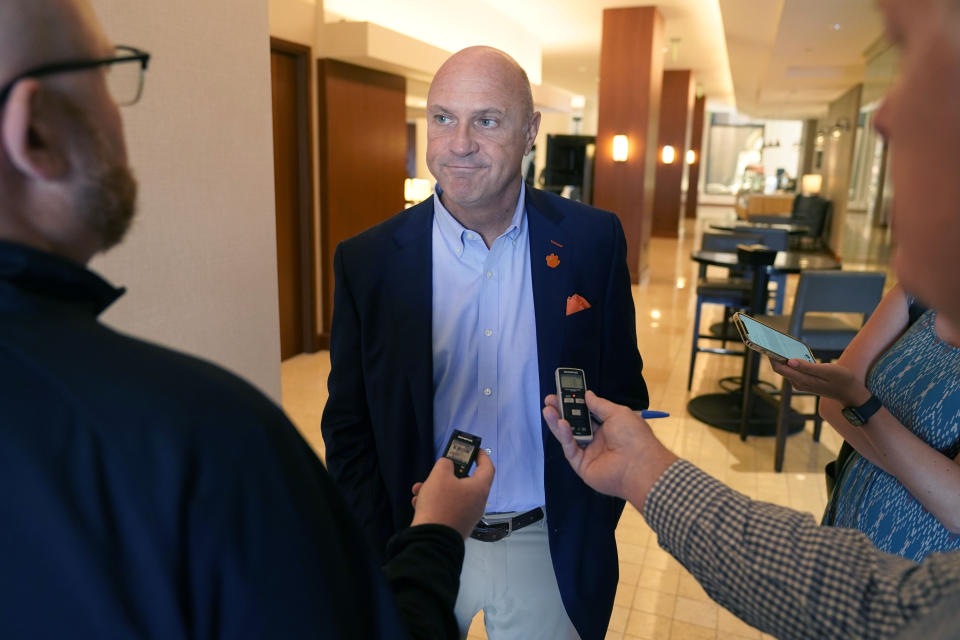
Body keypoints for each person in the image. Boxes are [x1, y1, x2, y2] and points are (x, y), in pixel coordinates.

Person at [0, 1, 493, 638]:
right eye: (106, 72)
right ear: (34, 128)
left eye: (485, 121)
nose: (461, 142)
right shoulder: (204, 436)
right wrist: (435, 535)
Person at [540, 1, 960, 636]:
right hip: (852, 526)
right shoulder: (920, 296)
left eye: (919, 60)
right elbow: (866, 600)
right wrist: (643, 467)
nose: (889, 117)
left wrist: (866, 410)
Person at [322, 46, 648, 639]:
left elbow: (623, 392)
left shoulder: (591, 241)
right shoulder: (367, 261)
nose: (459, 142)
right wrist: (381, 542)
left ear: (531, 132)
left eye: (487, 120)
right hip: (418, 539)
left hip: (546, 542)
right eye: (443, 118)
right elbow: (349, 424)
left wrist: (589, 514)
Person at [771, 284, 960, 561]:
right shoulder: (916, 294)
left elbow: (956, 508)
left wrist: (862, 405)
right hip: (844, 534)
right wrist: (925, 477)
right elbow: (833, 404)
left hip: (919, 578)